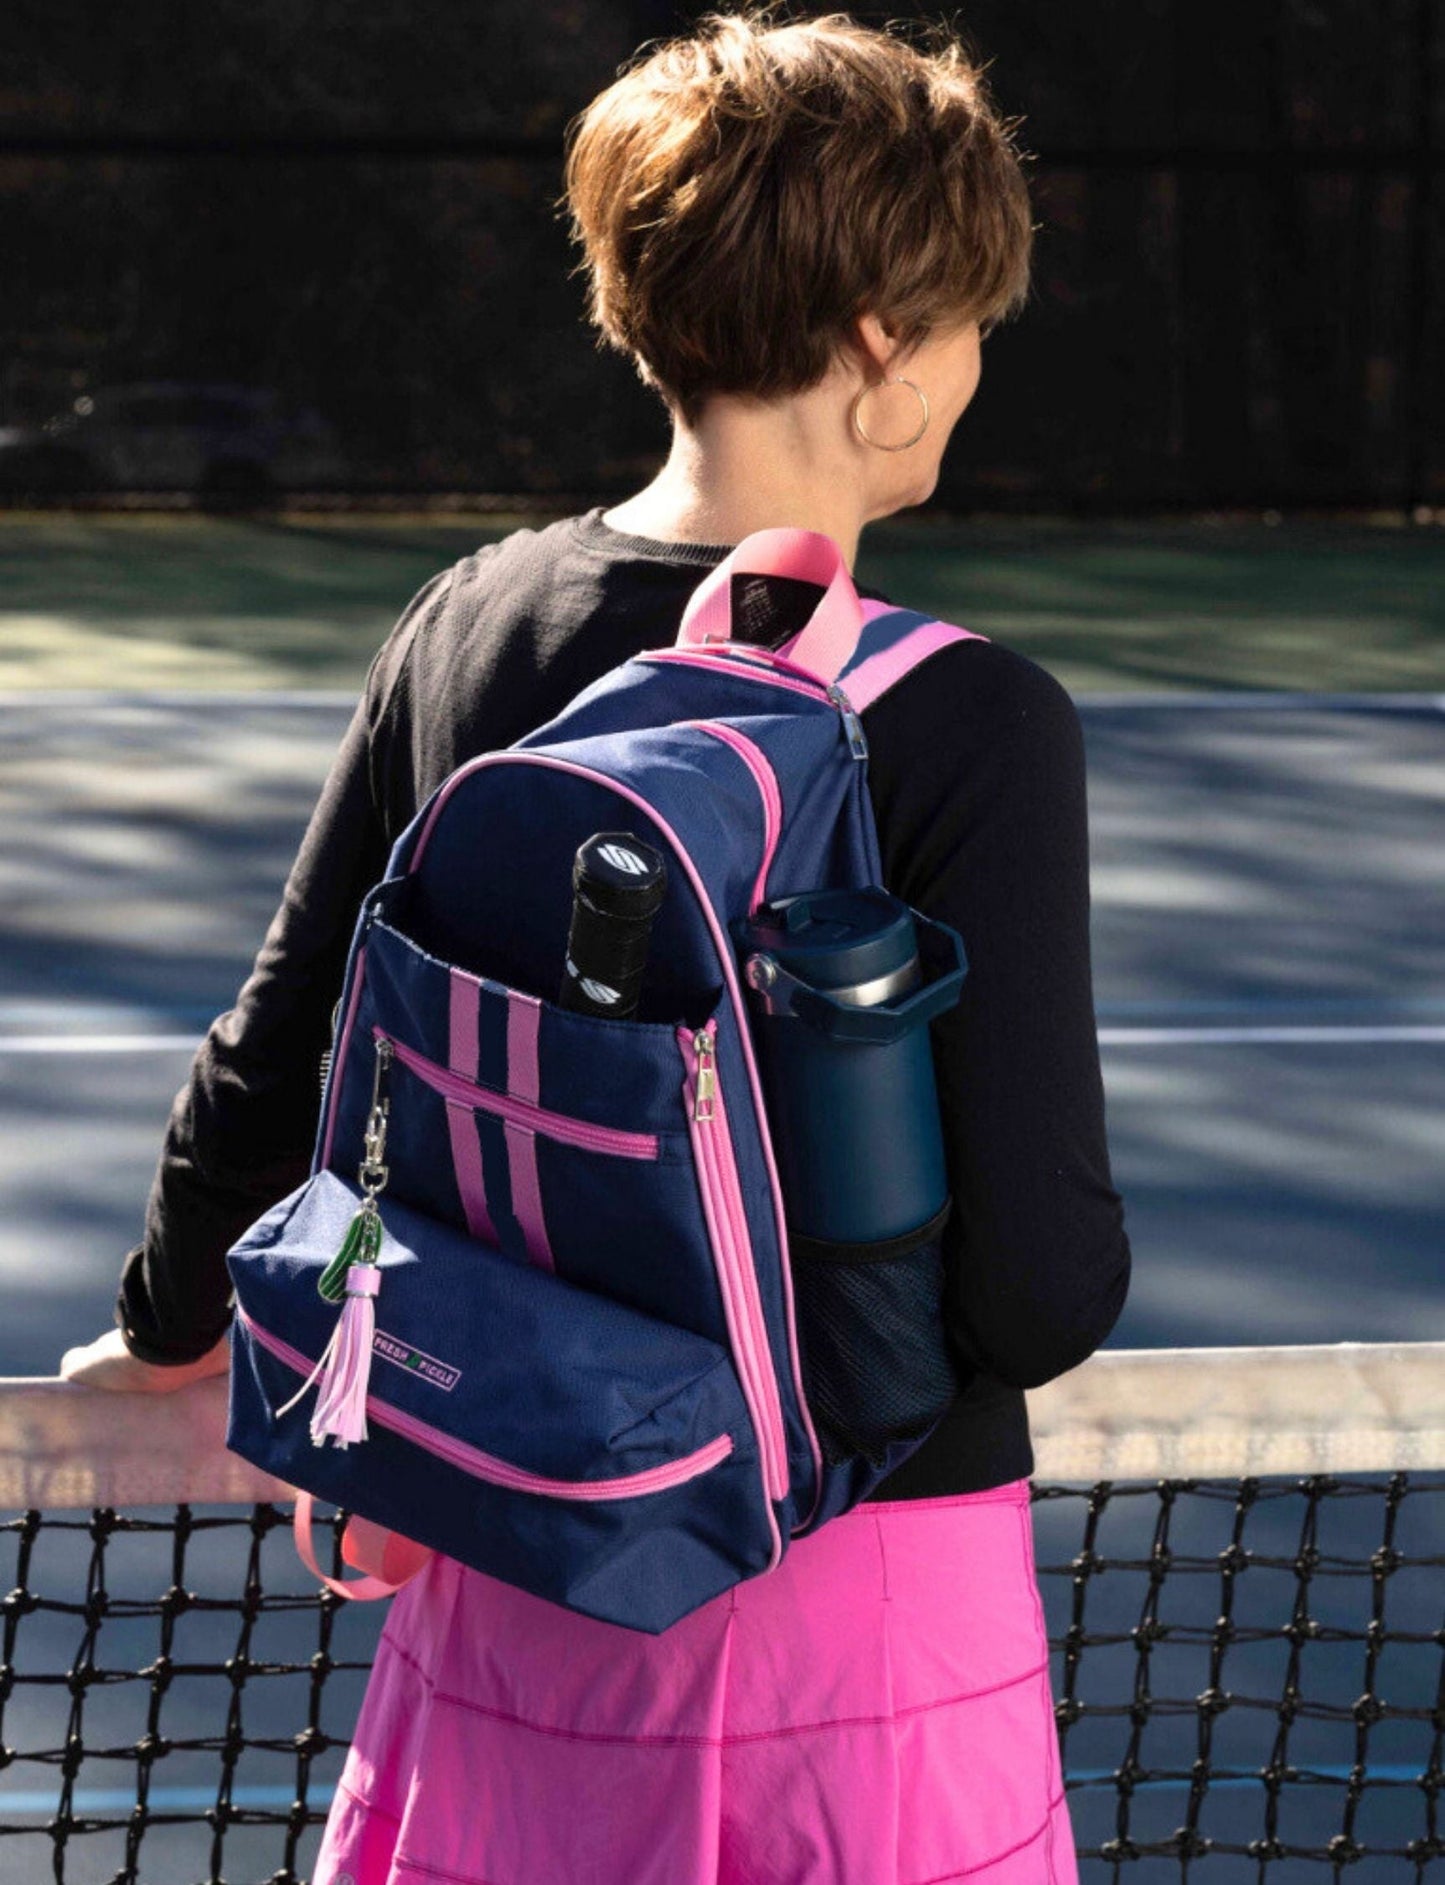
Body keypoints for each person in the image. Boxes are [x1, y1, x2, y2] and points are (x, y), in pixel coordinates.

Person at [61, 9, 1131, 1880]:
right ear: (882, 345)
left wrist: (160, 1330)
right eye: (964, 326)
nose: (972, 371)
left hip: (516, 1546)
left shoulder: (464, 625)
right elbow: (1037, 1286)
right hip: (862, 1610)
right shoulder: (971, 718)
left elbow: (275, 1062)